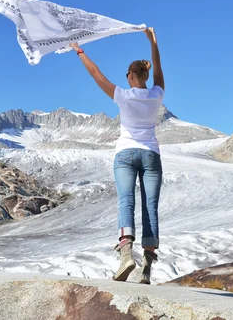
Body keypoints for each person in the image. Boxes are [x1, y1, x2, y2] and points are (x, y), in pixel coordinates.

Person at [70, 27, 164, 284]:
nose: (125, 77)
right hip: (151, 155)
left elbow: (95, 73)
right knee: (150, 208)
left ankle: (126, 257)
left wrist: (79, 50)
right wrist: (153, 43)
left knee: (126, 201)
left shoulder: (122, 96)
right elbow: (158, 70)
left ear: (132, 75)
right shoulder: (156, 95)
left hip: (125, 153)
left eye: (127, 74)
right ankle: (146, 268)